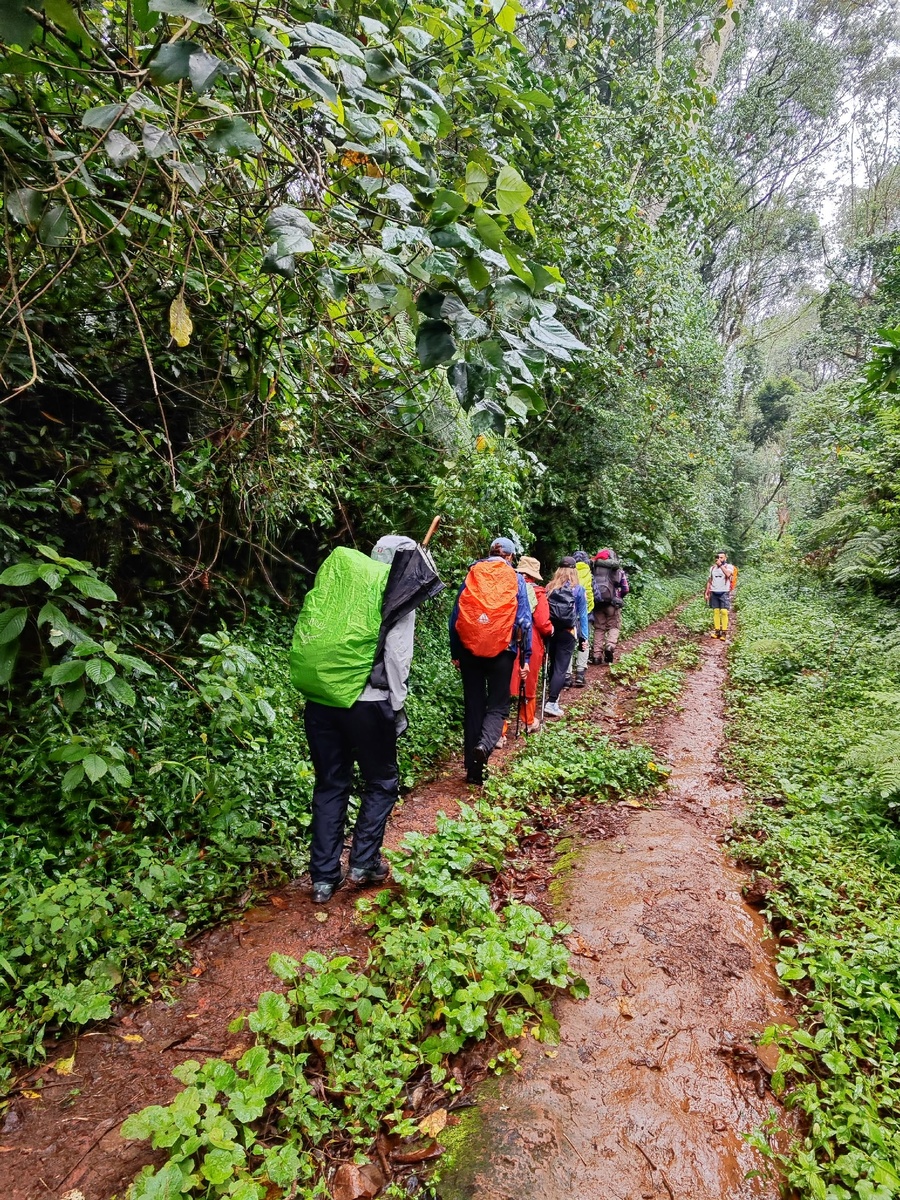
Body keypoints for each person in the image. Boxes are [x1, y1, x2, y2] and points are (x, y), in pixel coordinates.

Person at [300, 536, 427, 904]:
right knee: (382, 779)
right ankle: (364, 863)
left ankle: (323, 879)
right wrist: (397, 707)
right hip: (368, 703)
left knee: (330, 783)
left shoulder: (342, 585)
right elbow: (397, 658)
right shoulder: (397, 591)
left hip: (321, 700)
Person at [450, 537, 533, 784]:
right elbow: (524, 621)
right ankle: (485, 745)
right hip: (502, 650)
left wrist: (456, 652)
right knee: (497, 706)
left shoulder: (472, 574)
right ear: (510, 556)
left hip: (469, 650)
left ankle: (473, 772)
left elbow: (455, 617)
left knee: (474, 706)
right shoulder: (516, 579)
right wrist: (525, 657)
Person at [509, 555, 553, 734]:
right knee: (528, 680)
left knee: (507, 682)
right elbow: (542, 622)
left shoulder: (509, 587)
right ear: (533, 575)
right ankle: (528, 720)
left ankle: (499, 731)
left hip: (508, 638)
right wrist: (551, 630)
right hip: (530, 640)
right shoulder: (538, 593)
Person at [543, 557, 588, 719]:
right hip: (568, 632)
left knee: (553, 665)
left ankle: (549, 697)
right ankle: (552, 702)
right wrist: (584, 638)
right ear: (574, 571)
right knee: (561, 668)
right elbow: (583, 616)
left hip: (551, 631)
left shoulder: (549, 587)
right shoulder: (579, 590)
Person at [590, 548, 629, 664]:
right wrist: (619, 597)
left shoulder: (593, 568)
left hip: (598, 603)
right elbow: (626, 588)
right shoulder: (617, 570)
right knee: (614, 626)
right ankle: (610, 646)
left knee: (599, 628)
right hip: (612, 604)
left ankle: (596, 656)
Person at [571, 550, 595, 688]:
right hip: (586, 613)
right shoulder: (589, 574)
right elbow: (595, 593)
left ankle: (567, 675)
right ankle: (580, 673)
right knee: (583, 639)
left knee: (569, 644)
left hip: (569, 615)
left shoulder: (569, 574)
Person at [705, 550, 732, 639]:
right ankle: (717, 631)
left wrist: (720, 565)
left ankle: (724, 632)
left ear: (725, 558)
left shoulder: (729, 567)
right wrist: (707, 592)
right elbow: (710, 580)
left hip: (724, 591)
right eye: (718, 557)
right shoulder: (712, 568)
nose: (719, 559)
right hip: (714, 591)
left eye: (721, 557)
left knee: (724, 612)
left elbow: (728, 574)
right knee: (716, 612)